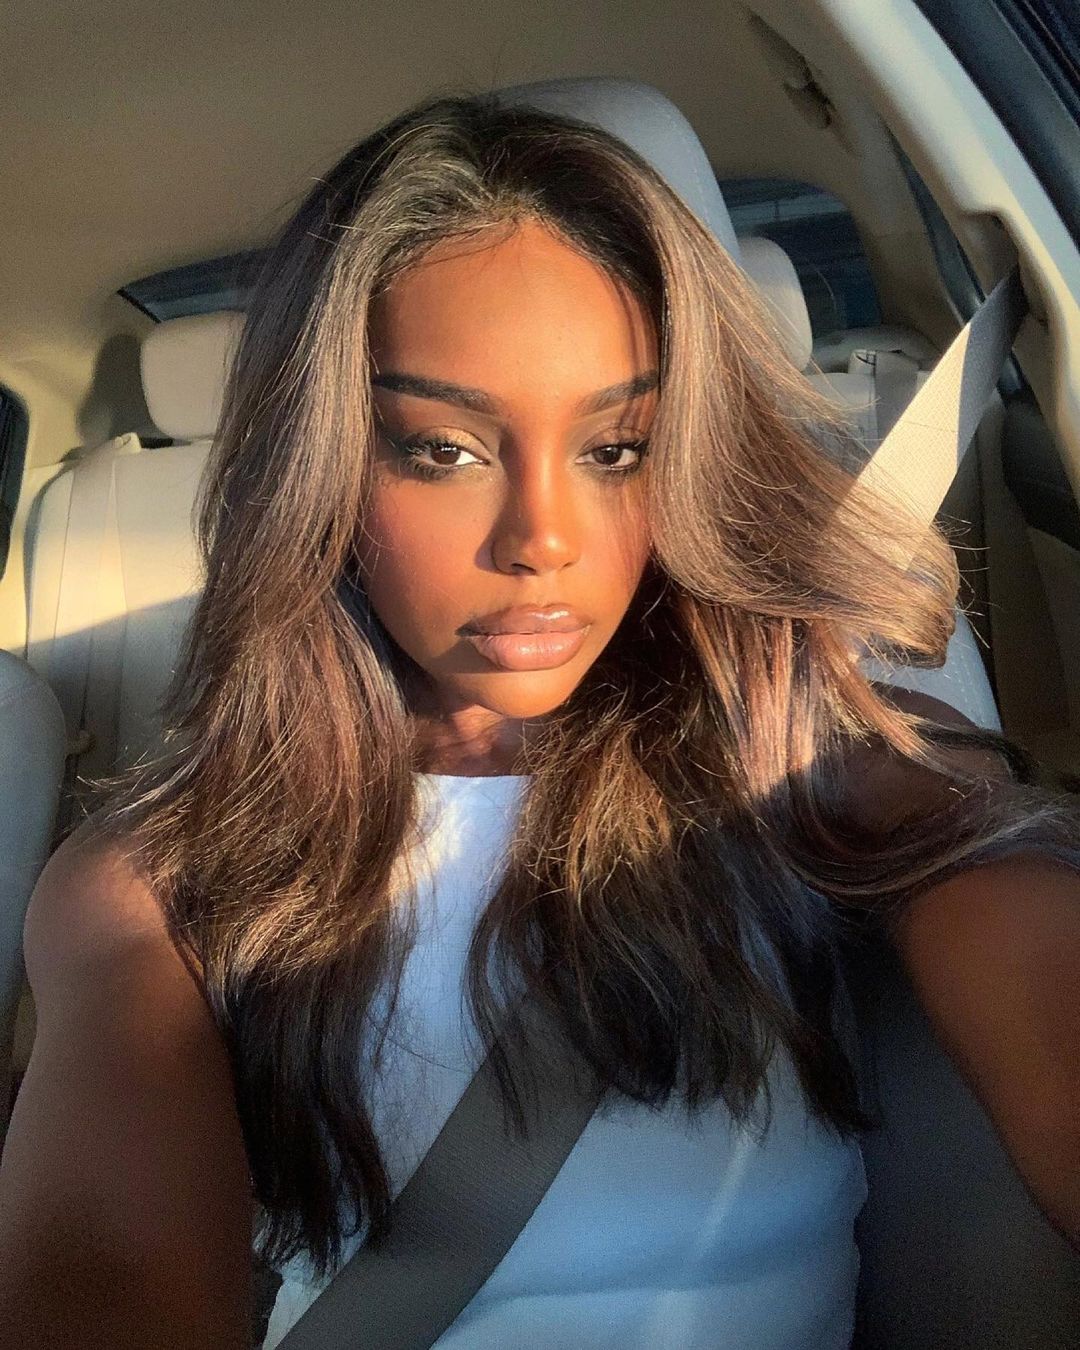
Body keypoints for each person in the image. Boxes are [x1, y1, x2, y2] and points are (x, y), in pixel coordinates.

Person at [2, 88, 1079, 1350]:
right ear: (323, 464)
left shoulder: (815, 764)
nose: (543, 542)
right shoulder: (158, 886)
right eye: (443, 450)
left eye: (615, 448)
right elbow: (103, 1275)